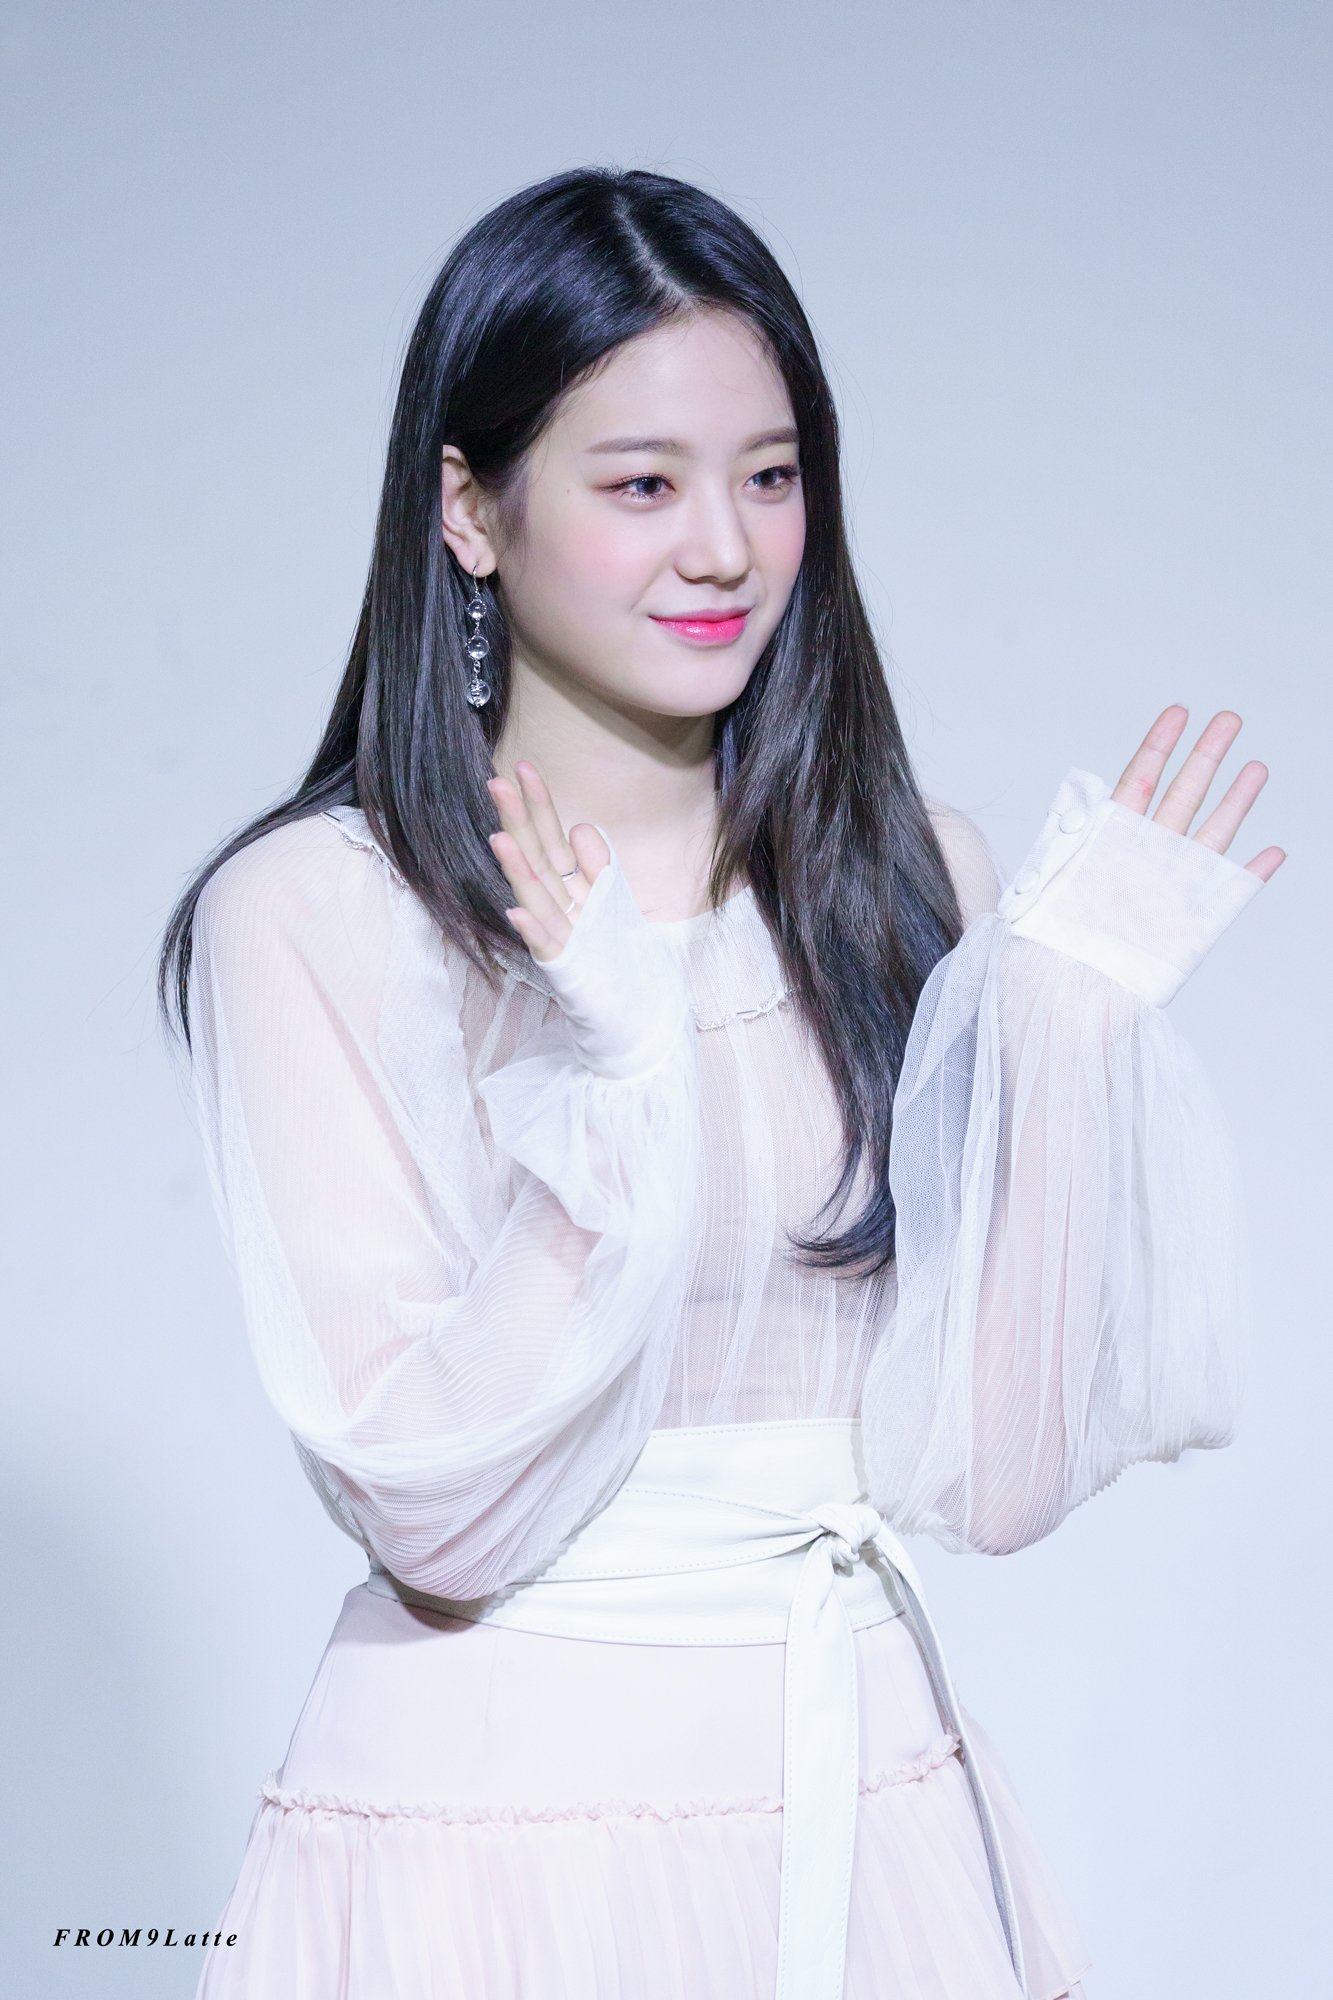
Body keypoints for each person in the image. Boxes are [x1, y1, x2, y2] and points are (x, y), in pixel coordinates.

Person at [159, 165, 1283, 2000]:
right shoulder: (317, 912)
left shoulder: (909, 877)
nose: (725, 550)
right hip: (495, 1834)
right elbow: (438, 1527)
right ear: (469, 509)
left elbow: (989, 1482)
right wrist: (614, 1093)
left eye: (769, 476)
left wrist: (1065, 1035)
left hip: (866, 1790)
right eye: (641, 485)